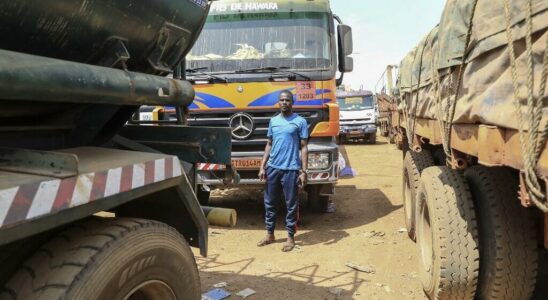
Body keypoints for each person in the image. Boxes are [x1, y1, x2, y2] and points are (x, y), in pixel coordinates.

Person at [257, 90, 308, 252]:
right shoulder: (273, 121)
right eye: (282, 100)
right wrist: (262, 166)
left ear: (292, 102)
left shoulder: (300, 122)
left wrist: (303, 171)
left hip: (291, 169)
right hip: (273, 168)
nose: (284, 102)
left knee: (291, 204)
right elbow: (269, 144)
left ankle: (290, 237)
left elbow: (304, 147)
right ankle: (270, 234)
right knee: (269, 202)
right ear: (278, 103)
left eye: (287, 100)